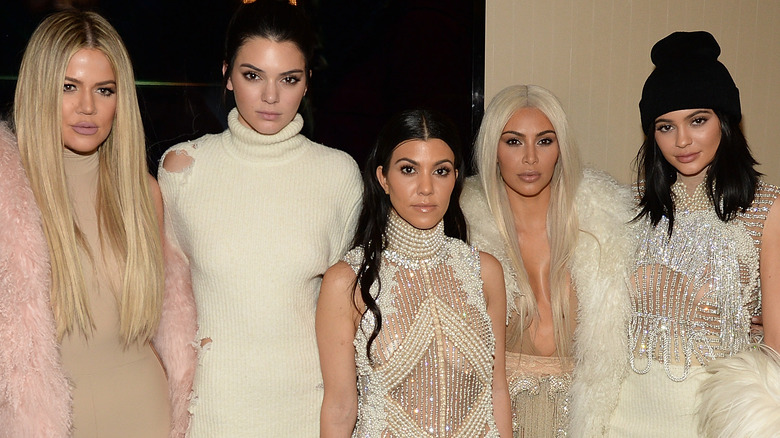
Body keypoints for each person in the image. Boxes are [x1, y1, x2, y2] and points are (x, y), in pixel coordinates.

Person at [158, 0, 362, 435]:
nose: (271, 97)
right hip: (211, 412)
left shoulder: (338, 174)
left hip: (308, 413)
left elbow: (346, 314)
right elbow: (167, 303)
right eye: (253, 76)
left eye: (289, 79)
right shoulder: (182, 169)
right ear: (228, 74)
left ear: (307, 83)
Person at [0, 10, 196, 438]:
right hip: (44, 422)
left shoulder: (143, 194)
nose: (87, 107)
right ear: (38, 90)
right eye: (68, 87)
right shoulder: (8, 195)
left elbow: (166, 320)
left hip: (146, 412)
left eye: (103, 90)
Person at [607, 31, 780, 437]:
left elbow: (775, 347)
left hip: (715, 416)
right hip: (622, 411)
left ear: (725, 120)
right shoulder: (627, 206)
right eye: (665, 126)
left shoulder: (766, 206)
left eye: (697, 121)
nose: (681, 141)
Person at [317, 109, 513, 437]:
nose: (426, 188)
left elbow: (497, 391)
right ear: (383, 178)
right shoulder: (346, 281)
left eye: (441, 171)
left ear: (455, 178)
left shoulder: (485, 272)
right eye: (409, 169)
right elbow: (340, 408)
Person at [460, 84, 634, 437]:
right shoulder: (462, 234)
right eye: (513, 141)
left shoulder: (610, 230)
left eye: (544, 141)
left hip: (584, 423)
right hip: (494, 422)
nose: (529, 158)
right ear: (492, 149)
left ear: (561, 148)